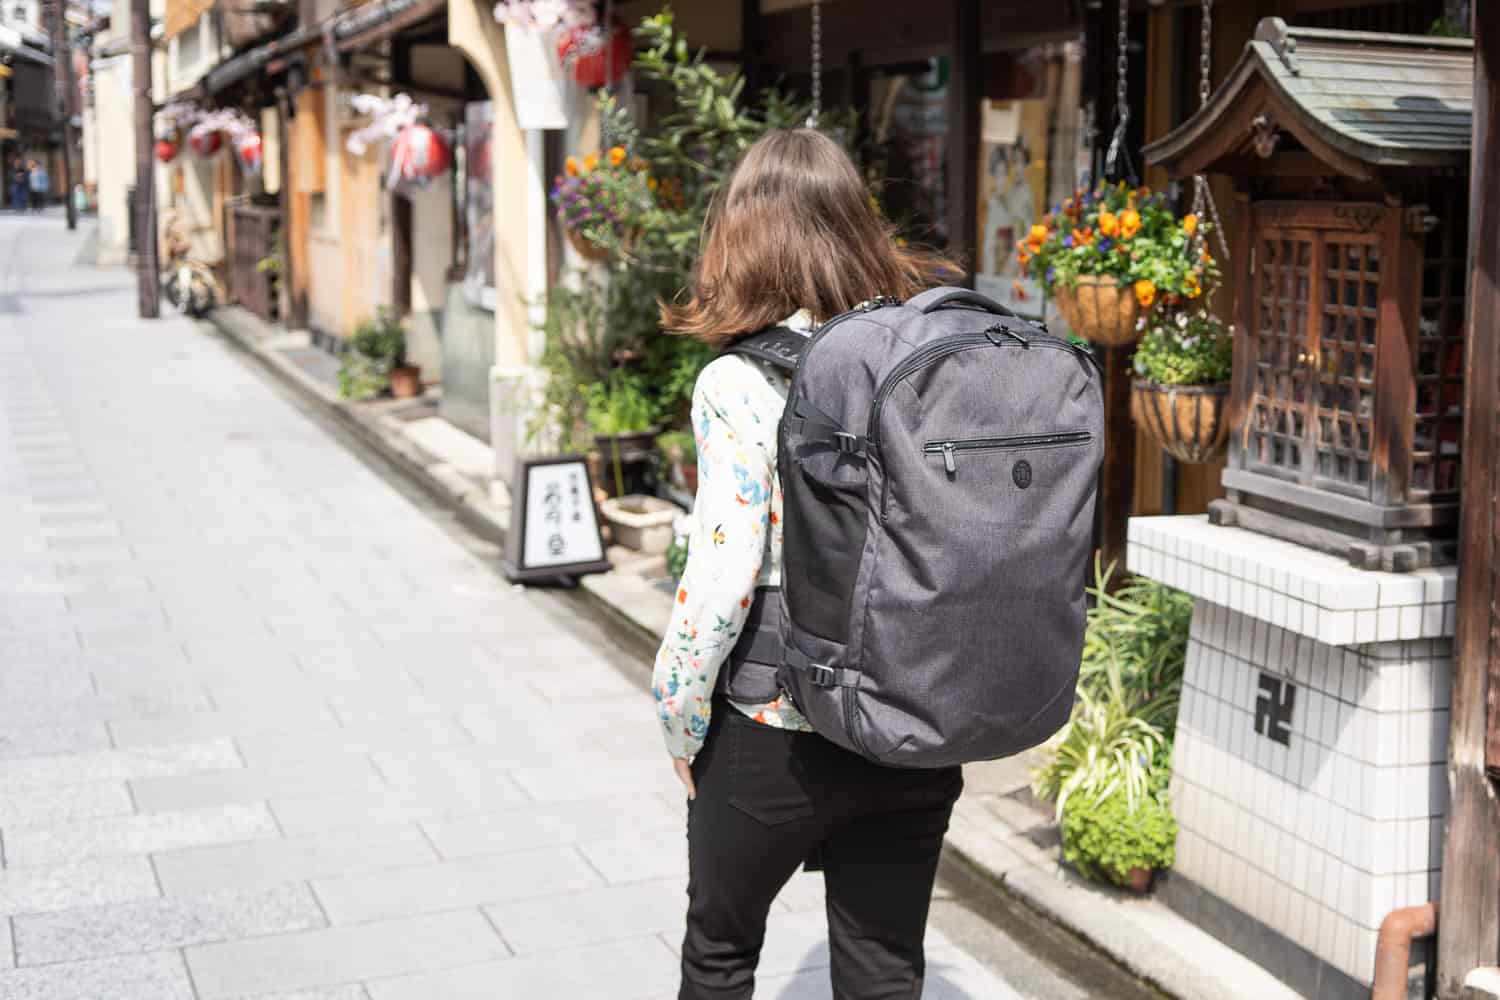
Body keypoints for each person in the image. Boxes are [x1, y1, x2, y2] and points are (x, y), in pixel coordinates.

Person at [653, 128, 961, 1000]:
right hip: (913, 715)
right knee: (884, 971)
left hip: (775, 726)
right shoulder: (922, 357)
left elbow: (721, 581)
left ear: (742, 236)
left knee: (719, 956)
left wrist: (679, 716)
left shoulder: (738, 384)